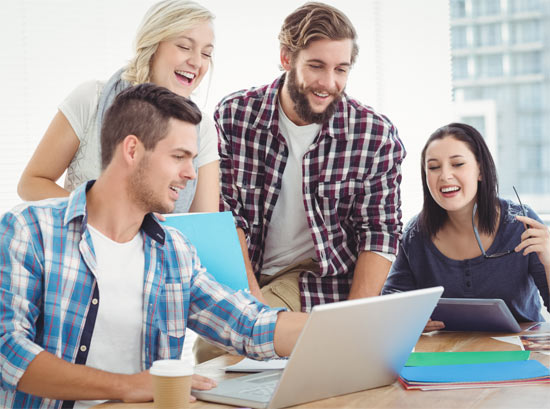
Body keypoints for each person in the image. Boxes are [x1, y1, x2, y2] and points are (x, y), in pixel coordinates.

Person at [0, 84, 307, 409]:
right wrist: (128, 386)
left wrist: (340, 331)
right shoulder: (29, 231)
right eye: (178, 157)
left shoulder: (173, 251)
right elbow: (8, 351)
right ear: (132, 150)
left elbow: (247, 325)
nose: (191, 173)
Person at [217, 2, 405, 312]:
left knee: (220, 353)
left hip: (317, 279)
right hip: (245, 271)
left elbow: (379, 232)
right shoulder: (234, 117)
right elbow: (226, 218)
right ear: (286, 58)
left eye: (340, 69)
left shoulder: (374, 135)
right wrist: (252, 310)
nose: (329, 83)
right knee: (218, 348)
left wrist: (355, 320)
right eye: (316, 66)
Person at [17, 0, 219, 213]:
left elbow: (204, 223)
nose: (197, 62)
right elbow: (31, 184)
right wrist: (98, 214)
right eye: (184, 47)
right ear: (153, 44)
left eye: (206, 54)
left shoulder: (202, 129)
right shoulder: (91, 99)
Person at [382, 123, 550, 331]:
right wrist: (407, 318)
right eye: (434, 167)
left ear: (480, 170)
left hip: (522, 354)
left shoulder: (521, 223)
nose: (444, 176)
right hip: (447, 355)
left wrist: (548, 260)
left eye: (458, 164)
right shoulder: (415, 234)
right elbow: (392, 301)